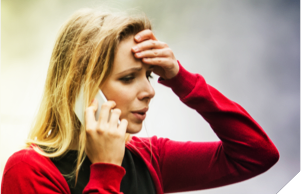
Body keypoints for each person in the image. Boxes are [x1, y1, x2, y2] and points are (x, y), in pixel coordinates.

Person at [1, 8, 279, 194]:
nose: (150, 91)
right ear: (79, 88)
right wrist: (106, 171)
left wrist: (181, 78)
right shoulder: (28, 171)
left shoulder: (148, 158)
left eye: (149, 75)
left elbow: (256, 154)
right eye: (128, 78)